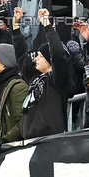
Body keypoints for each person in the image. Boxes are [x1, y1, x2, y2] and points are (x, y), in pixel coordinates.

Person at [12, 8, 70, 138]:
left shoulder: (57, 80)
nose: (36, 58)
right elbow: (21, 54)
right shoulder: (34, 76)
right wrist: (15, 25)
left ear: (49, 60)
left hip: (50, 140)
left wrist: (46, 24)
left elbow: (58, 54)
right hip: (30, 139)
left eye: (40, 56)